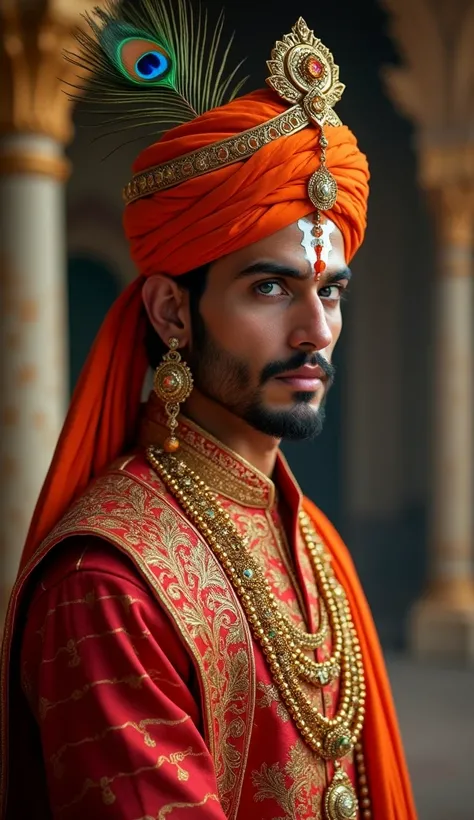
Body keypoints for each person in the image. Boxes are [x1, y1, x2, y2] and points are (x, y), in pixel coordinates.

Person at [0, 3, 417, 819]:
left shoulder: (311, 540)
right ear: (171, 313)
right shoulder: (109, 585)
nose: (318, 330)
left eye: (330, 292)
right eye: (272, 288)